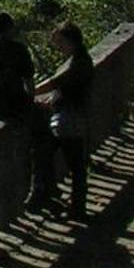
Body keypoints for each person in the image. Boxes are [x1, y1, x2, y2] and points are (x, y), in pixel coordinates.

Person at [33, 21, 95, 219]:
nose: (58, 48)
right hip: (70, 116)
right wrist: (51, 101)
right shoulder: (80, 60)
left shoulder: (78, 63)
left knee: (71, 162)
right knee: (63, 160)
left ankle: (73, 207)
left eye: (60, 43)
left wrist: (29, 92)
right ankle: (71, 204)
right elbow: (64, 89)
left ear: (70, 41)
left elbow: (54, 83)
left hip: (69, 118)